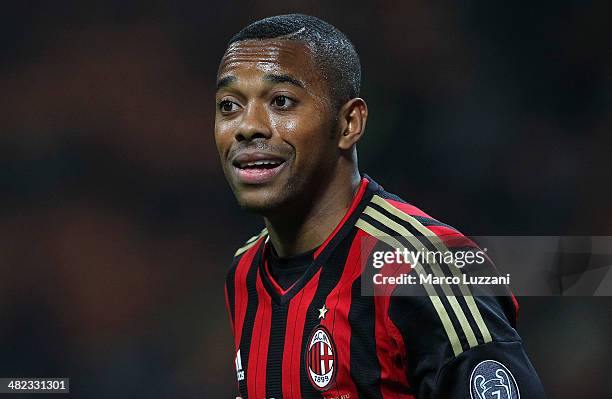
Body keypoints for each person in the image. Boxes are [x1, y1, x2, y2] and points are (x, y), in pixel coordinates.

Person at [215, 13, 546, 399]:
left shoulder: (426, 267)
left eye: (282, 101)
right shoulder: (244, 272)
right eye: (228, 106)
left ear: (350, 123)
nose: (247, 126)